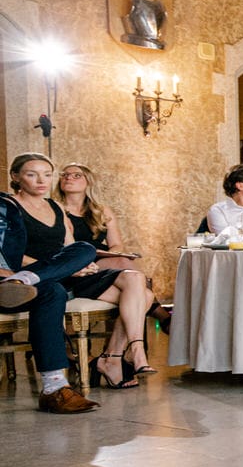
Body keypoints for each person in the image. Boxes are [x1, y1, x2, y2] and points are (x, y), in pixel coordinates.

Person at [11, 153, 154, 387]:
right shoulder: (13, 207)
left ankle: (117, 355)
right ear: (16, 177)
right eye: (32, 174)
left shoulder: (56, 208)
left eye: (47, 174)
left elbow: (71, 248)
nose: (41, 180)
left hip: (76, 272)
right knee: (143, 294)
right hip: (49, 277)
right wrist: (65, 267)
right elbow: (9, 254)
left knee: (135, 282)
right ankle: (123, 356)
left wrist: (80, 264)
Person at [0, 188, 101, 413]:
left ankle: (54, 389)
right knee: (53, 289)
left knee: (82, 251)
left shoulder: (6, 207)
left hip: (18, 284)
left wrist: (16, 278)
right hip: (6, 281)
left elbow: (16, 253)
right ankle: (54, 388)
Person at [55, 163, 172, 331]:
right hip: (76, 261)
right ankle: (160, 314)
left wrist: (109, 255)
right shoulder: (56, 209)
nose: (68, 177)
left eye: (76, 175)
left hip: (102, 259)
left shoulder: (101, 211)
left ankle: (116, 351)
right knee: (131, 275)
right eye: (64, 174)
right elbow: (69, 245)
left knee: (123, 261)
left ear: (89, 182)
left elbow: (116, 244)